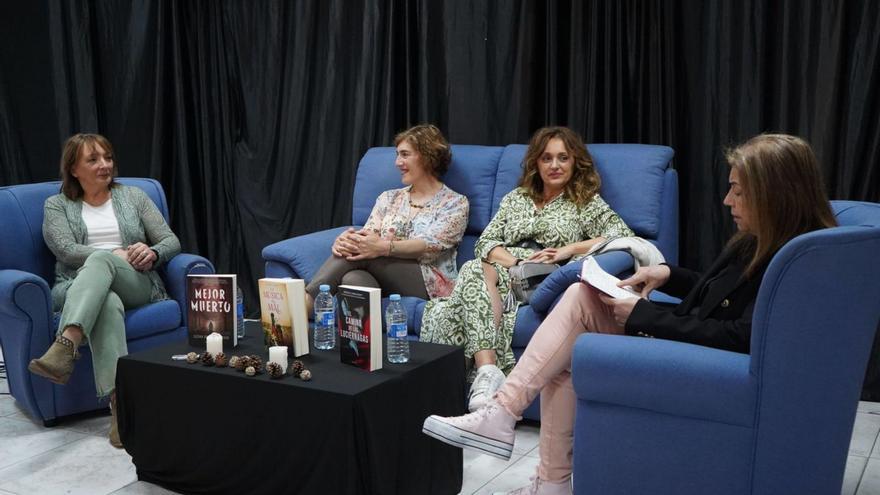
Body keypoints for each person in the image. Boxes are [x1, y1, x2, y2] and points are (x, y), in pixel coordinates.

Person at [421, 133, 838, 495]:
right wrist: (669, 274)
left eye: (739, 191)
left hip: (700, 357)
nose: (727, 200)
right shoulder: (761, 239)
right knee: (570, 340)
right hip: (681, 338)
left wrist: (641, 315)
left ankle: (503, 413)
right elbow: (719, 297)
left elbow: (739, 335)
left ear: (774, 192)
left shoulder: (794, 258)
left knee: (578, 307)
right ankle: (541, 470)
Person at [420, 126, 633, 412]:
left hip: (543, 278)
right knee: (471, 271)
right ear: (536, 162)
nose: (554, 165)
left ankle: (473, 377)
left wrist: (569, 249)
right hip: (506, 270)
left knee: (469, 277)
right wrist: (516, 263)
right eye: (546, 158)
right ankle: (486, 372)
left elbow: (620, 235)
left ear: (575, 162)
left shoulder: (585, 202)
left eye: (563, 158)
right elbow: (487, 241)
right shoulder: (516, 198)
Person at [29, 133, 182, 449]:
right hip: (74, 286)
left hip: (136, 283)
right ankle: (119, 412)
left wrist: (151, 253)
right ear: (73, 169)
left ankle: (65, 345)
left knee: (103, 262)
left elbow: (170, 241)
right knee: (106, 300)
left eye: (108, 157)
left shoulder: (134, 196)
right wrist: (113, 254)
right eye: (93, 159)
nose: (104, 165)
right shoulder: (57, 205)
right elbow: (66, 250)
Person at [304, 124, 468, 312]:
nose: (397, 162)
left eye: (405, 155)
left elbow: (432, 244)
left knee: (365, 254)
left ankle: (306, 303)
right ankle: (359, 340)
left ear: (428, 156)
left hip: (427, 282)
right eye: (397, 155)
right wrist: (346, 242)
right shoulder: (389, 198)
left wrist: (384, 247)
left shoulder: (455, 203)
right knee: (353, 279)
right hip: (383, 276)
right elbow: (368, 237)